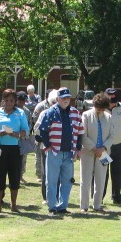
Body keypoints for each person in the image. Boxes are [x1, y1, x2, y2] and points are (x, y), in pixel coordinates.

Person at [38, 87, 84, 215]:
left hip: (69, 152)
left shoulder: (75, 113)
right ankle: (52, 206)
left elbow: (80, 132)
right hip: (55, 152)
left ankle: (63, 206)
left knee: (67, 181)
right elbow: (43, 131)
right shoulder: (50, 112)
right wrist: (48, 147)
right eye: (63, 98)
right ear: (57, 99)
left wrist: (78, 149)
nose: (66, 100)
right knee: (51, 181)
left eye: (68, 97)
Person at [0, 89, 29, 214]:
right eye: (6, 100)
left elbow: (26, 131)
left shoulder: (20, 113)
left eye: (11, 100)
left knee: (14, 176)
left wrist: (16, 134)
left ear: (15, 101)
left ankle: (14, 204)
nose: (9, 103)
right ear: (3, 100)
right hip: (0, 147)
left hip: (14, 149)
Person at [80, 93, 114, 213]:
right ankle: (84, 206)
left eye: (103, 108)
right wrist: (94, 149)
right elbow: (83, 135)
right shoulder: (86, 115)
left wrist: (103, 148)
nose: (100, 110)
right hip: (87, 152)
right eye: (98, 107)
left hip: (104, 153)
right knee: (86, 179)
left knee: (101, 179)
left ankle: (98, 205)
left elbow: (112, 135)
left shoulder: (109, 117)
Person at [103, 88, 121, 205]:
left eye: (114, 100)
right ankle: (99, 198)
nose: (113, 103)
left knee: (118, 172)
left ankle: (116, 197)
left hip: (119, 145)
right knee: (102, 171)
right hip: (104, 147)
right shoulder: (100, 108)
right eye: (110, 101)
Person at [34, 89, 59, 204]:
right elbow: (37, 130)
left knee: (58, 173)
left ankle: (56, 196)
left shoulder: (65, 114)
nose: (55, 105)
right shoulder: (44, 113)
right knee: (46, 172)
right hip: (46, 147)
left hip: (60, 148)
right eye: (53, 102)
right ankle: (46, 197)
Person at [32, 91, 53, 181]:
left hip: (52, 139)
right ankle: (39, 175)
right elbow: (35, 119)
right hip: (40, 136)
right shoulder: (40, 106)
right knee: (39, 156)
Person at [16, 91, 33, 184]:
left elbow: (30, 123)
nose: (22, 102)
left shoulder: (26, 111)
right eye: (21, 100)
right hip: (13, 137)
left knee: (23, 157)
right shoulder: (12, 109)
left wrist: (25, 131)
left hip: (23, 138)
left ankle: (21, 176)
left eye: (24, 100)